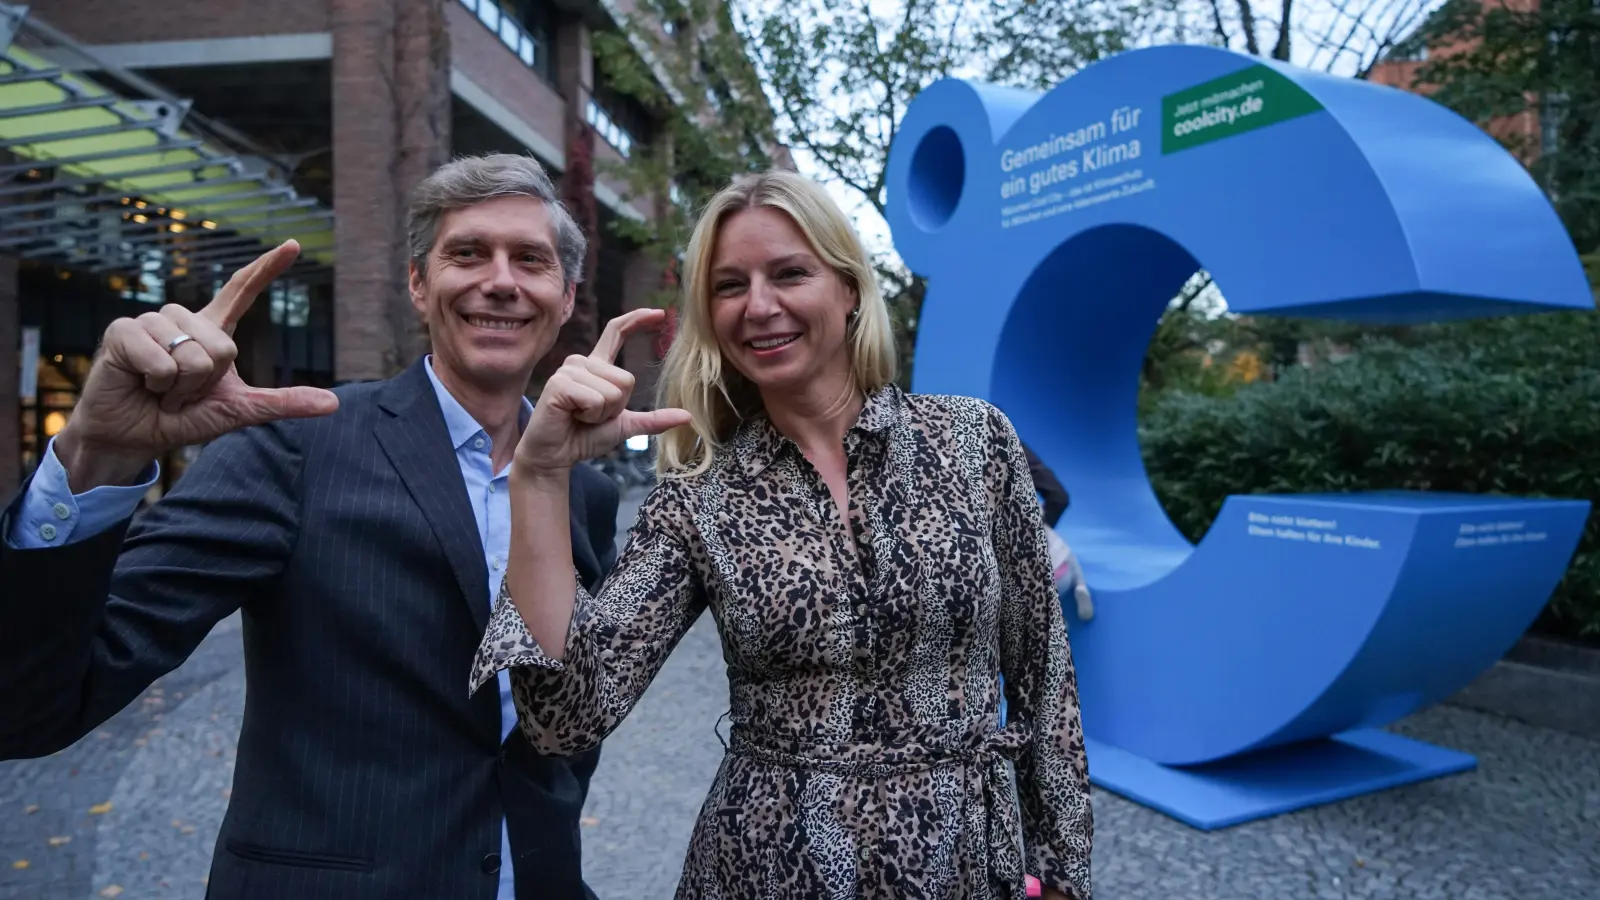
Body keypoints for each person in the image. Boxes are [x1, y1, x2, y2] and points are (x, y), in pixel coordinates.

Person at [0, 154, 619, 900]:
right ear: (418, 284)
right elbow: (28, 712)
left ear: (565, 296)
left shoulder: (582, 490)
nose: (500, 280)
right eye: (466, 253)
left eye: (530, 260)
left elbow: (567, 718)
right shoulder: (296, 447)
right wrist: (95, 458)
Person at [472, 170, 1094, 899]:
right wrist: (540, 477)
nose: (760, 306)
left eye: (790, 273)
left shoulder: (972, 441)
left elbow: (1045, 681)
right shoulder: (699, 498)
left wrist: (1062, 874)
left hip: (959, 865)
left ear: (849, 288)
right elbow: (566, 719)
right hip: (766, 868)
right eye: (730, 285)